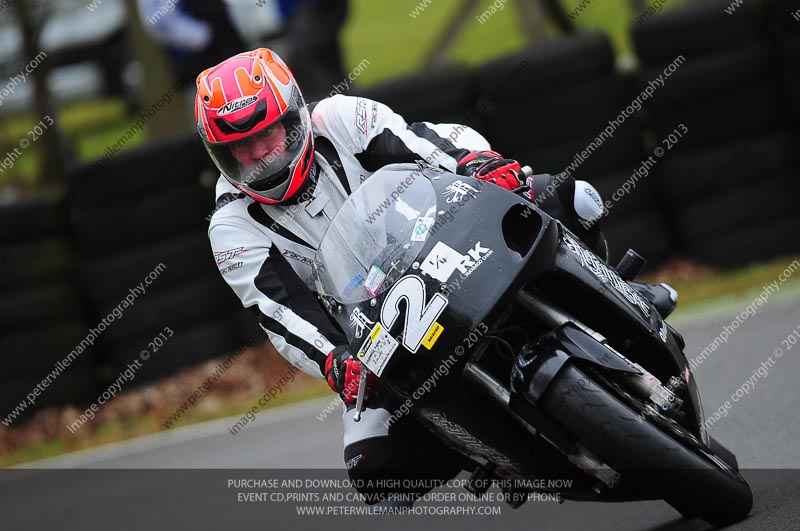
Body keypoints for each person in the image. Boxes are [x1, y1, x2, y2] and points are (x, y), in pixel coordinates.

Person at [199, 48, 666, 507]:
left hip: (442, 235)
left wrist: (478, 165)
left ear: (293, 117)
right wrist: (335, 360)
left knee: (567, 196)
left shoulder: (340, 118)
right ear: (221, 154)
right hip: (371, 332)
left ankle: (617, 295)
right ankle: (487, 448)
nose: (262, 154)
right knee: (374, 472)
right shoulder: (230, 226)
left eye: (270, 133)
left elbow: (423, 143)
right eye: (241, 147)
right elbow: (282, 312)